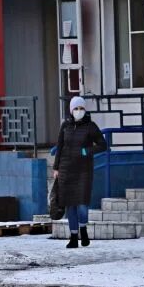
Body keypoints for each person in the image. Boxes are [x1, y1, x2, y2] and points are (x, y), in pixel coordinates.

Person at [53, 96, 108, 249]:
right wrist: (56, 168)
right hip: (66, 170)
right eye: (76, 108)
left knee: (82, 204)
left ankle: (83, 230)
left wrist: (86, 151)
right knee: (69, 205)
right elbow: (59, 147)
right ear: (71, 110)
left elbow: (103, 145)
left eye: (81, 108)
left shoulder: (90, 126)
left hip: (83, 171)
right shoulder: (65, 126)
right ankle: (73, 237)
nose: (79, 111)